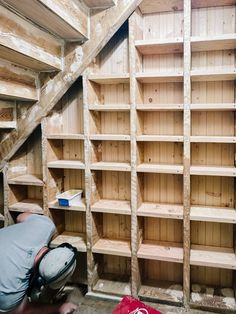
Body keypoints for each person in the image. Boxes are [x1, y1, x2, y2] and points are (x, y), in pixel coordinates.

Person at [0, 212, 78, 314]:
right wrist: (58, 308)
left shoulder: (45, 225)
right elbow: (23, 311)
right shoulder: (11, 289)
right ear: (39, 279)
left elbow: (20, 217)